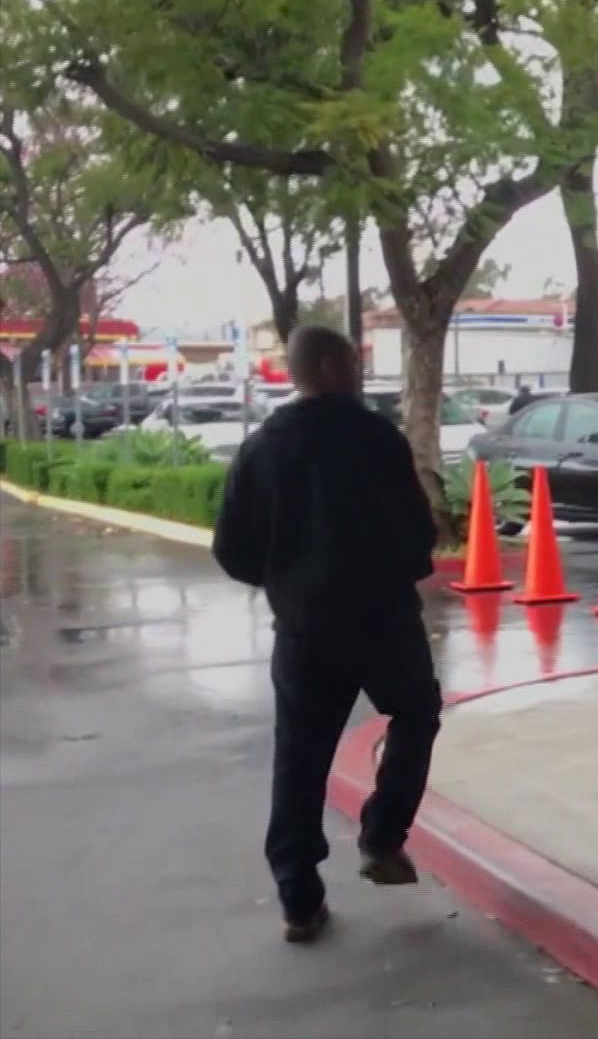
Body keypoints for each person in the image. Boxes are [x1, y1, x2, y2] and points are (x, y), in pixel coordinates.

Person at [212, 324, 441, 944]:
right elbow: (419, 535)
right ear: (333, 364)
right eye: (352, 359)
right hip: (382, 621)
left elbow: (231, 550)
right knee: (417, 711)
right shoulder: (377, 440)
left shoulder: (263, 449)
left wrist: (285, 582)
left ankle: (297, 895)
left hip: (305, 628)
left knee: (300, 755)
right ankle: (382, 834)